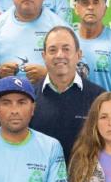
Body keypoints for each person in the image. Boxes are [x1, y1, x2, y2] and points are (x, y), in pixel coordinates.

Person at [30, 26, 105, 162]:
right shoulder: (29, 97)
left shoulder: (99, 97)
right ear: (44, 56)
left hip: (85, 174)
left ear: (79, 55)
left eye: (66, 49)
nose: (59, 55)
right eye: (53, 50)